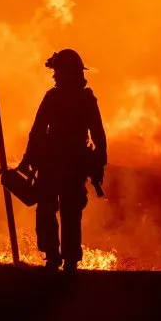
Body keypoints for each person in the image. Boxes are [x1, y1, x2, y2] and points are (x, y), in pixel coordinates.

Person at [17, 49, 107, 272]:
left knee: (63, 212)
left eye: (58, 71)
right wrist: (29, 158)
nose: (55, 76)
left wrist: (98, 163)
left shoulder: (73, 99)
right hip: (59, 165)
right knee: (59, 212)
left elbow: (97, 135)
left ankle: (62, 259)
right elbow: (38, 131)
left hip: (63, 165)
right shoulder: (67, 98)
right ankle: (59, 258)